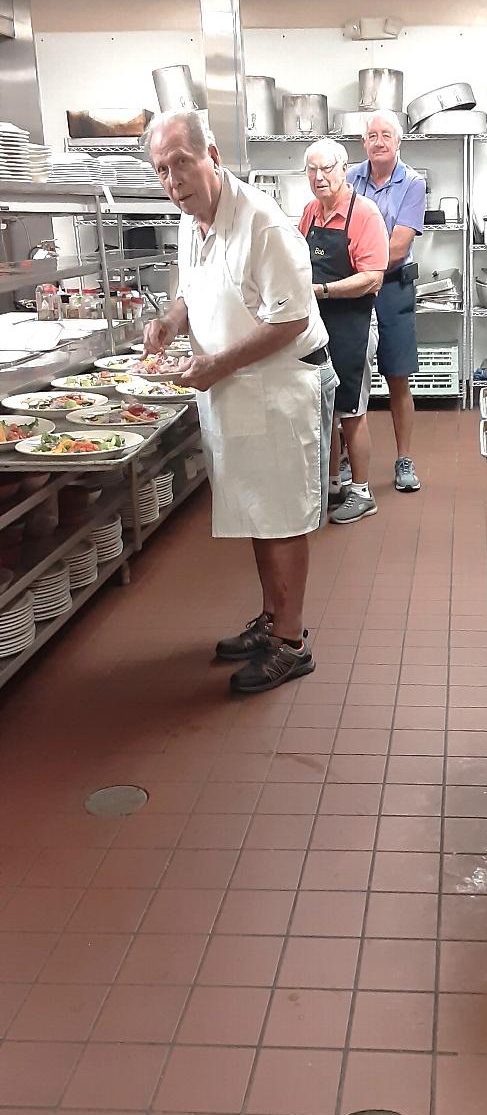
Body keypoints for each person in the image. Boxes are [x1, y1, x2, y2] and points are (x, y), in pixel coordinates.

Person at [142, 109, 337, 695]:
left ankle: (292, 643)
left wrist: (217, 364)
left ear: (213, 156)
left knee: (284, 517)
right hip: (235, 388)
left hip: (282, 387)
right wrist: (171, 322)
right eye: (162, 170)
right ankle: (272, 619)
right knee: (257, 508)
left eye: (181, 163)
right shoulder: (192, 220)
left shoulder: (262, 224)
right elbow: (192, 289)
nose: (173, 180)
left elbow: (292, 318)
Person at [299, 139, 389, 525]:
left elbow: (372, 278)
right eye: (312, 170)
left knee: (351, 409)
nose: (319, 177)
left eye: (326, 168)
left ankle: (362, 491)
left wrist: (322, 291)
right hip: (317, 324)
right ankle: (333, 482)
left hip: (354, 322)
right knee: (325, 407)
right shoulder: (310, 212)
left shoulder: (364, 214)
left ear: (344, 169)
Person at [347, 109, 426, 493]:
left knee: (397, 376)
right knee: (347, 375)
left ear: (398, 142)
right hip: (354, 290)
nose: (379, 142)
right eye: (372, 135)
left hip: (392, 287)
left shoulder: (412, 183)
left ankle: (404, 459)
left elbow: (398, 246)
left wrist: (359, 268)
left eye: (386, 135)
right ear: (364, 142)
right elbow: (338, 229)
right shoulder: (349, 178)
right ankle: (347, 459)